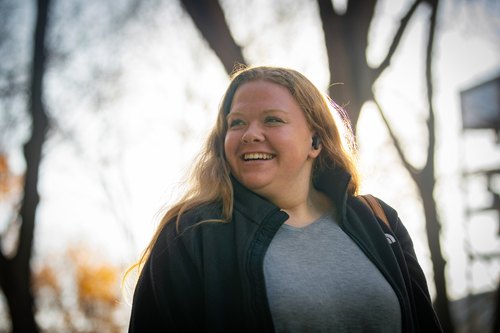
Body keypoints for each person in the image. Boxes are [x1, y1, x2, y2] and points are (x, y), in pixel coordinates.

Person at [127, 66, 443, 332]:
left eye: (272, 119)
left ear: (315, 140)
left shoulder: (378, 220)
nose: (250, 134)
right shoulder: (189, 235)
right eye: (236, 122)